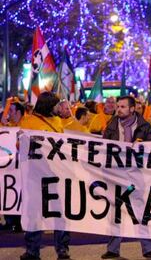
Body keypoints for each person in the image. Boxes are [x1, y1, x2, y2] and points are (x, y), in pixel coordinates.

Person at [101, 95, 151, 259]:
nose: (118, 109)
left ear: (132, 109)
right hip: (116, 175)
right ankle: (113, 249)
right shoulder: (111, 126)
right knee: (116, 212)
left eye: (123, 107)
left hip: (136, 176)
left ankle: (148, 248)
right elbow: (103, 148)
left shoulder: (144, 127)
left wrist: (145, 145)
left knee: (141, 210)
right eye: (118, 106)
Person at [20, 92, 70, 260]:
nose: (59, 108)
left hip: (55, 175)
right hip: (35, 176)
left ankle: (62, 250)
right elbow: (20, 145)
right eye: (57, 105)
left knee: (60, 214)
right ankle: (32, 251)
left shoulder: (57, 121)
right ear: (49, 105)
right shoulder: (28, 122)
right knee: (34, 213)